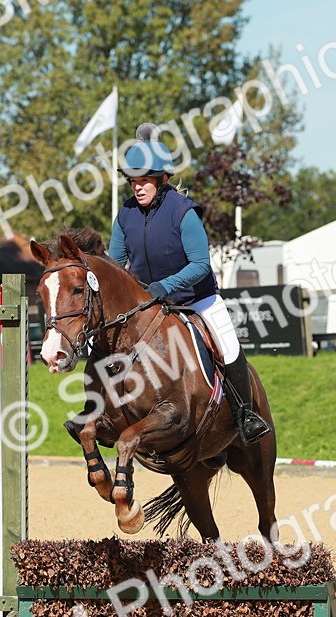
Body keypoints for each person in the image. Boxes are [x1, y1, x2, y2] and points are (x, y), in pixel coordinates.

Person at [107, 122, 270, 444]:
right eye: (133, 182)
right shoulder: (125, 214)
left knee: (229, 348)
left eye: (144, 181)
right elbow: (115, 263)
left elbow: (200, 265)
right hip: (150, 306)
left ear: (161, 179)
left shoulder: (183, 212)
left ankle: (245, 415)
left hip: (197, 300)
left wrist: (164, 287)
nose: (137, 188)